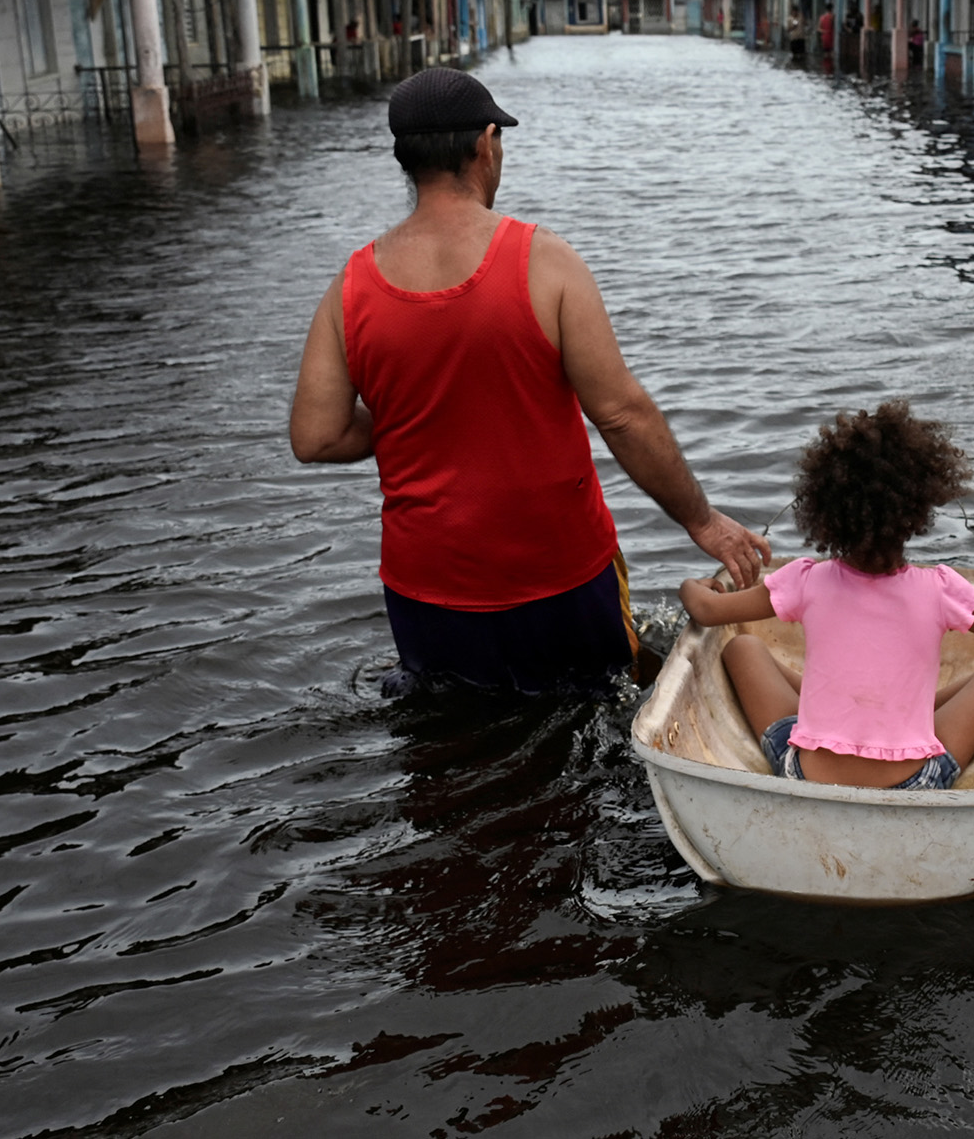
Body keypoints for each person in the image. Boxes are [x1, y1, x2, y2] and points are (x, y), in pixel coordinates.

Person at [289, 67, 770, 694]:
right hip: (558, 576)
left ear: (405, 159)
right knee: (592, 722)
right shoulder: (544, 261)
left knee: (449, 754)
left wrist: (422, 408)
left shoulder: (350, 287)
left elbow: (316, 437)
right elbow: (622, 414)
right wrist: (702, 520)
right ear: (486, 145)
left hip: (427, 586)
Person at [677, 402, 974, 789]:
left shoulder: (805, 580)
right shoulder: (940, 588)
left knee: (742, 647)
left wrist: (693, 587)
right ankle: (900, 711)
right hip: (916, 782)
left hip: (807, 776)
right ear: (919, 509)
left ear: (824, 507)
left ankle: (859, 705)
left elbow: (707, 610)